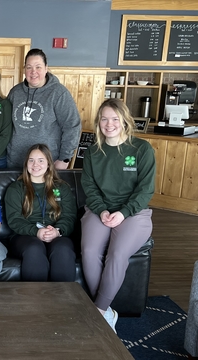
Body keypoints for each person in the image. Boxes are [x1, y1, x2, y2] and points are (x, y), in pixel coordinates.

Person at [80, 98, 155, 332]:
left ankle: (99, 312)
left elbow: (145, 190)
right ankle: (106, 311)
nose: (109, 124)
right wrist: (102, 210)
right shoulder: (93, 152)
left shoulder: (141, 149)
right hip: (99, 210)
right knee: (90, 251)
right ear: (98, 122)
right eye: (104, 119)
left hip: (134, 213)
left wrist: (122, 213)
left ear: (124, 120)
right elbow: (89, 186)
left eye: (114, 118)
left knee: (118, 253)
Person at [4, 143, 77, 282]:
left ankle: (63, 301)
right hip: (24, 236)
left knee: (63, 249)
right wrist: (36, 232)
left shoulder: (61, 187)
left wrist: (57, 231)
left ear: (49, 164)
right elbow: (15, 219)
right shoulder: (16, 188)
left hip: (56, 234)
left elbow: (69, 216)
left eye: (41, 160)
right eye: (31, 160)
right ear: (26, 163)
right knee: (34, 248)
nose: (35, 164)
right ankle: (35, 301)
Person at [7, 48, 81, 169]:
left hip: (46, 164)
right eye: (29, 67)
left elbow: (72, 126)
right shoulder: (15, 92)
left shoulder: (58, 93)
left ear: (46, 68)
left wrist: (65, 158)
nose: (33, 72)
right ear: (24, 69)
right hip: (15, 161)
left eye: (38, 67)